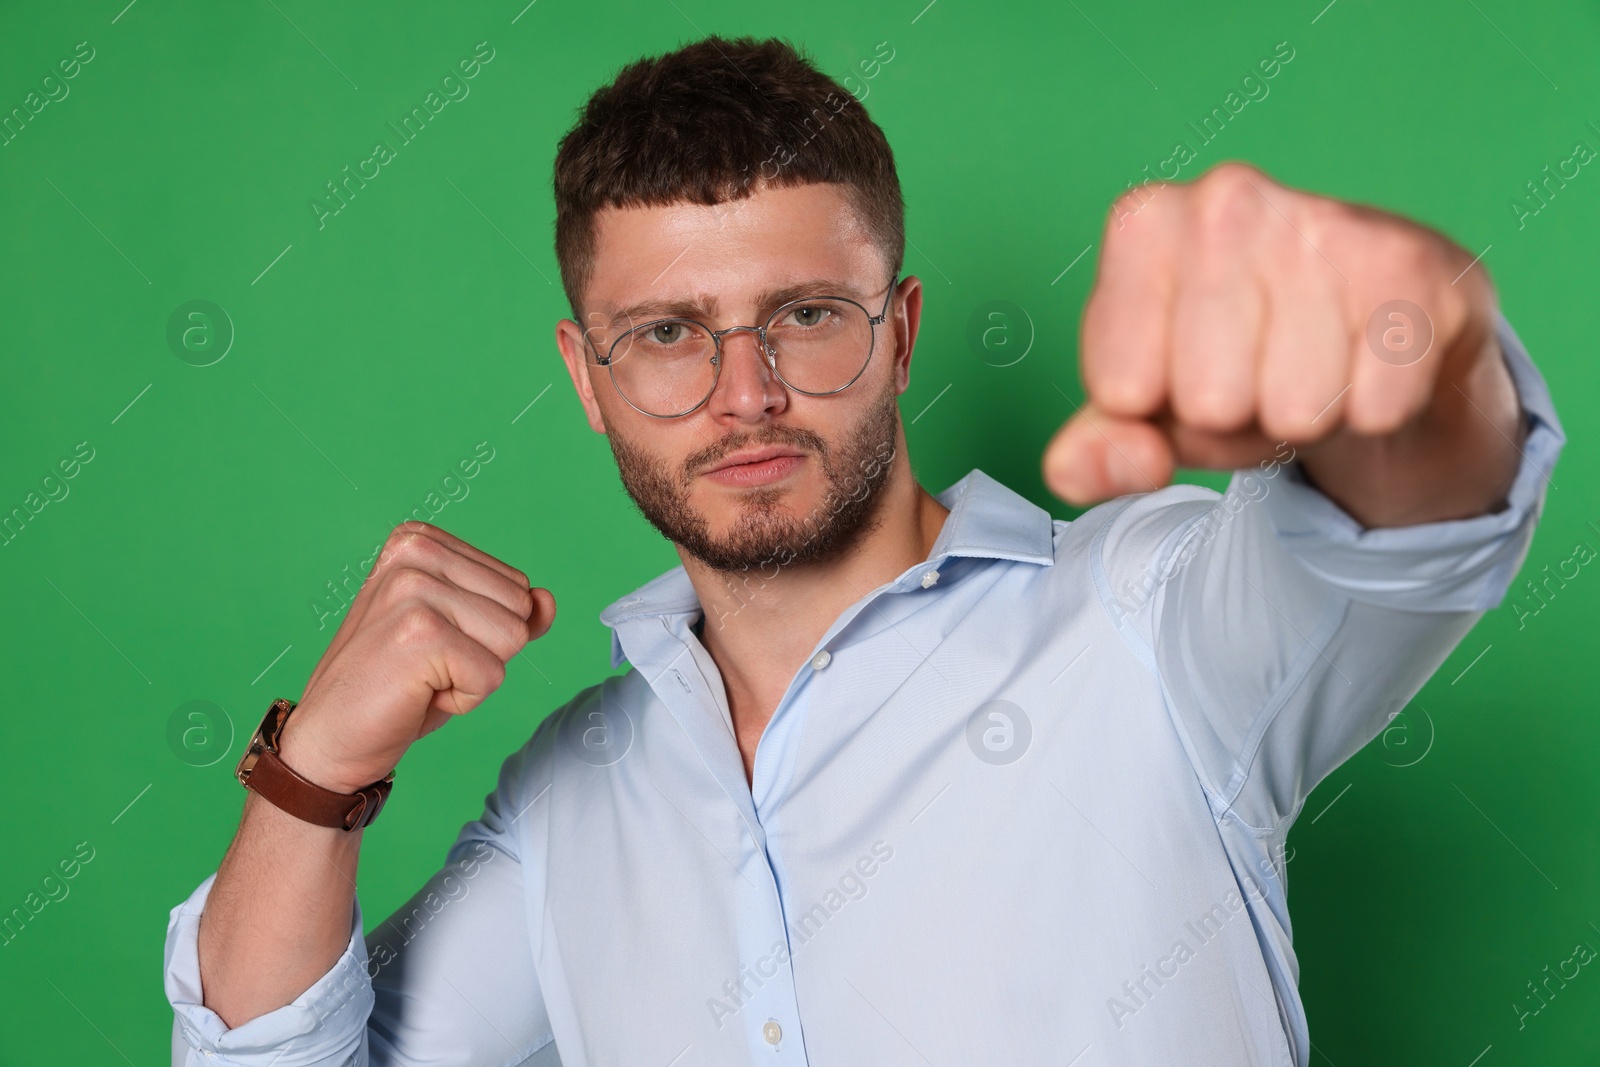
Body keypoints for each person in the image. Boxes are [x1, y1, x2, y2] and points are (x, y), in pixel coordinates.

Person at [163, 33, 1564, 1067]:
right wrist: (312, 778)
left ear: (895, 332)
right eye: (667, 335)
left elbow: (1418, 520)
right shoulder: (568, 798)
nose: (745, 392)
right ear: (586, 381)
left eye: (805, 316)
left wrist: (1409, 338)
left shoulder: (1150, 626)